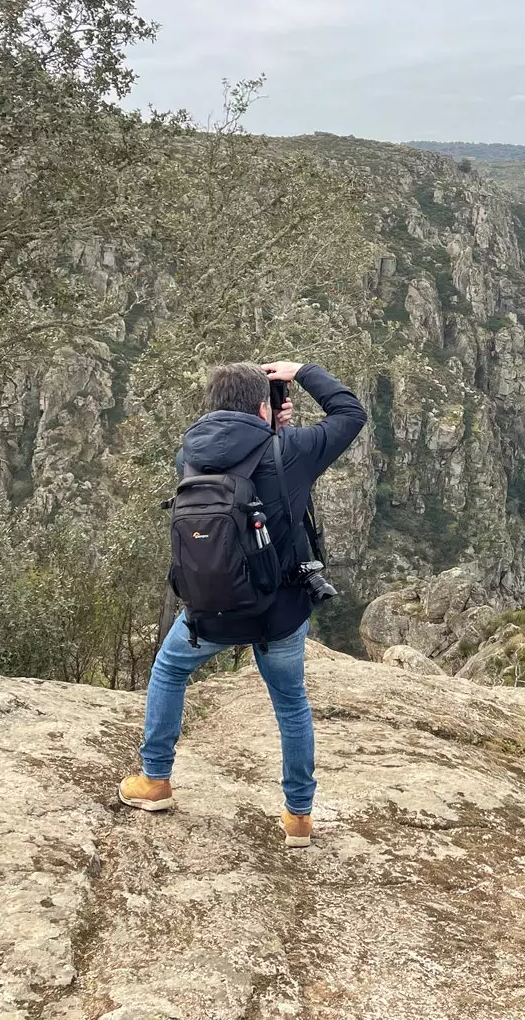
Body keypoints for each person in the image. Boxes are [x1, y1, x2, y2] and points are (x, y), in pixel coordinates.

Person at [118, 360, 366, 847]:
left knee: (169, 671)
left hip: (210, 609)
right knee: (291, 705)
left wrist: (264, 428)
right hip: (279, 611)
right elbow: (349, 412)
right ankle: (297, 817)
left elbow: (236, 452)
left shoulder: (188, 455)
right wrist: (303, 371)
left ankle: (155, 780)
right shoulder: (289, 450)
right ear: (261, 405)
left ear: (211, 406)